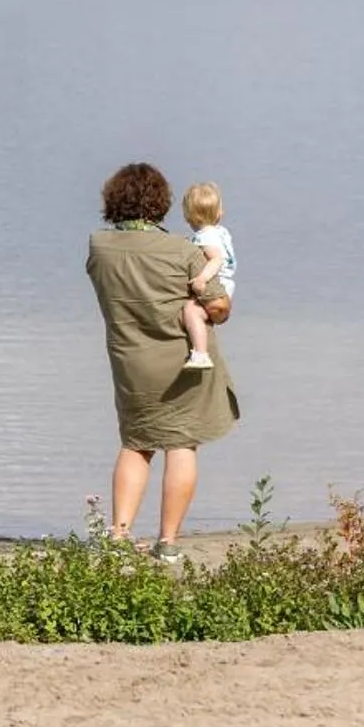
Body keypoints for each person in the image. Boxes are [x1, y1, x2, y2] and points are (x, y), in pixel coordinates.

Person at [86, 162, 241, 562]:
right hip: (185, 362)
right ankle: (167, 543)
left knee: (136, 444)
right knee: (181, 445)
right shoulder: (184, 251)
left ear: (113, 201)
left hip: (130, 361)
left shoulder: (99, 247)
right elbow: (219, 307)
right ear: (161, 203)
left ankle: (118, 535)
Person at [178, 181, 236, 371]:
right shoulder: (220, 232)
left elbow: (216, 259)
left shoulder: (205, 237)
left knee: (191, 311)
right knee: (199, 315)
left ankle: (201, 354)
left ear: (188, 216)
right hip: (226, 286)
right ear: (219, 212)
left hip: (215, 284)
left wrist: (202, 279)